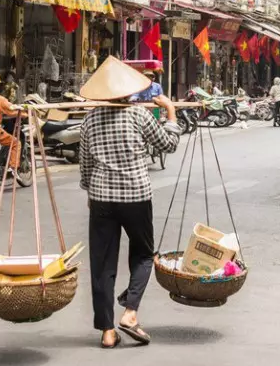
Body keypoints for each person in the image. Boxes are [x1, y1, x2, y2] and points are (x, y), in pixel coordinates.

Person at [78, 56, 180, 349]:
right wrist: (171, 110)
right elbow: (168, 144)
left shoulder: (89, 120)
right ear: (128, 91)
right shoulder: (139, 115)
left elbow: (84, 166)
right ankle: (131, 312)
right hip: (136, 195)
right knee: (144, 255)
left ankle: (107, 331)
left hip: (101, 199)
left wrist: (89, 191)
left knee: (102, 264)